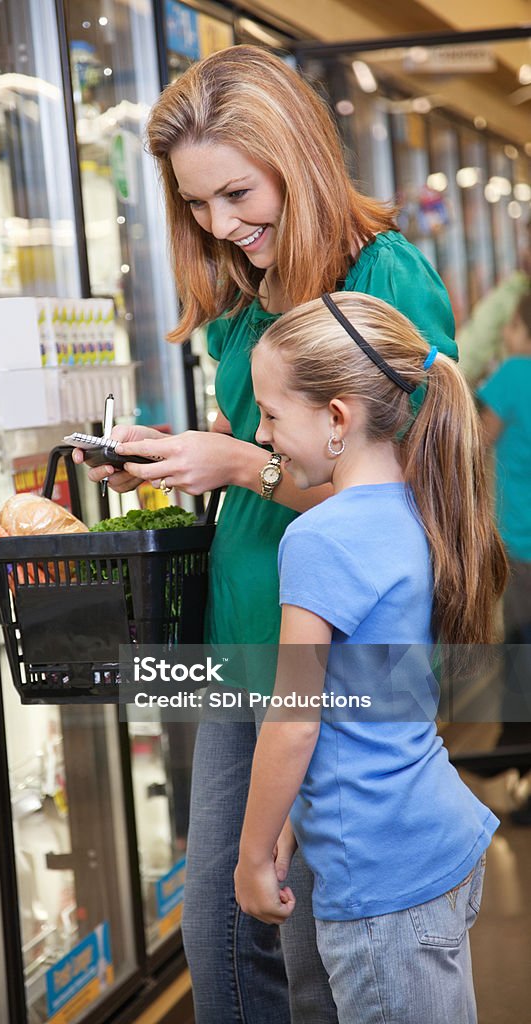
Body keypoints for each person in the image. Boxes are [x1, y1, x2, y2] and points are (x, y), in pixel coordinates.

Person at [74, 45, 457, 1024]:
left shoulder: (381, 278)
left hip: (331, 660)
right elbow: (263, 451)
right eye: (195, 205)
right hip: (238, 640)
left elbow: (404, 501)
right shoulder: (243, 304)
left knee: (318, 956)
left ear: (292, 154)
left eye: (236, 192)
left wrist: (238, 463)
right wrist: (175, 455)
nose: (220, 224)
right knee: (225, 941)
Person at [235, 292, 507, 1024]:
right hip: (429, 832)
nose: (262, 437)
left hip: (383, 876)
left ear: (335, 418)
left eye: (269, 414)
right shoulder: (418, 508)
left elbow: (293, 721)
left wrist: (253, 855)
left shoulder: (320, 537)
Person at [477, 291, 531, 817]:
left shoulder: (513, 374)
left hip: (522, 547)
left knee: (522, 654)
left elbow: (474, 441)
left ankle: (513, 754)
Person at [456, 220, 530, 388]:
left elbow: (466, 359)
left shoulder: (512, 374)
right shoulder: (513, 291)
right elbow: (468, 355)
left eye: (515, 326)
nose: (525, 252)